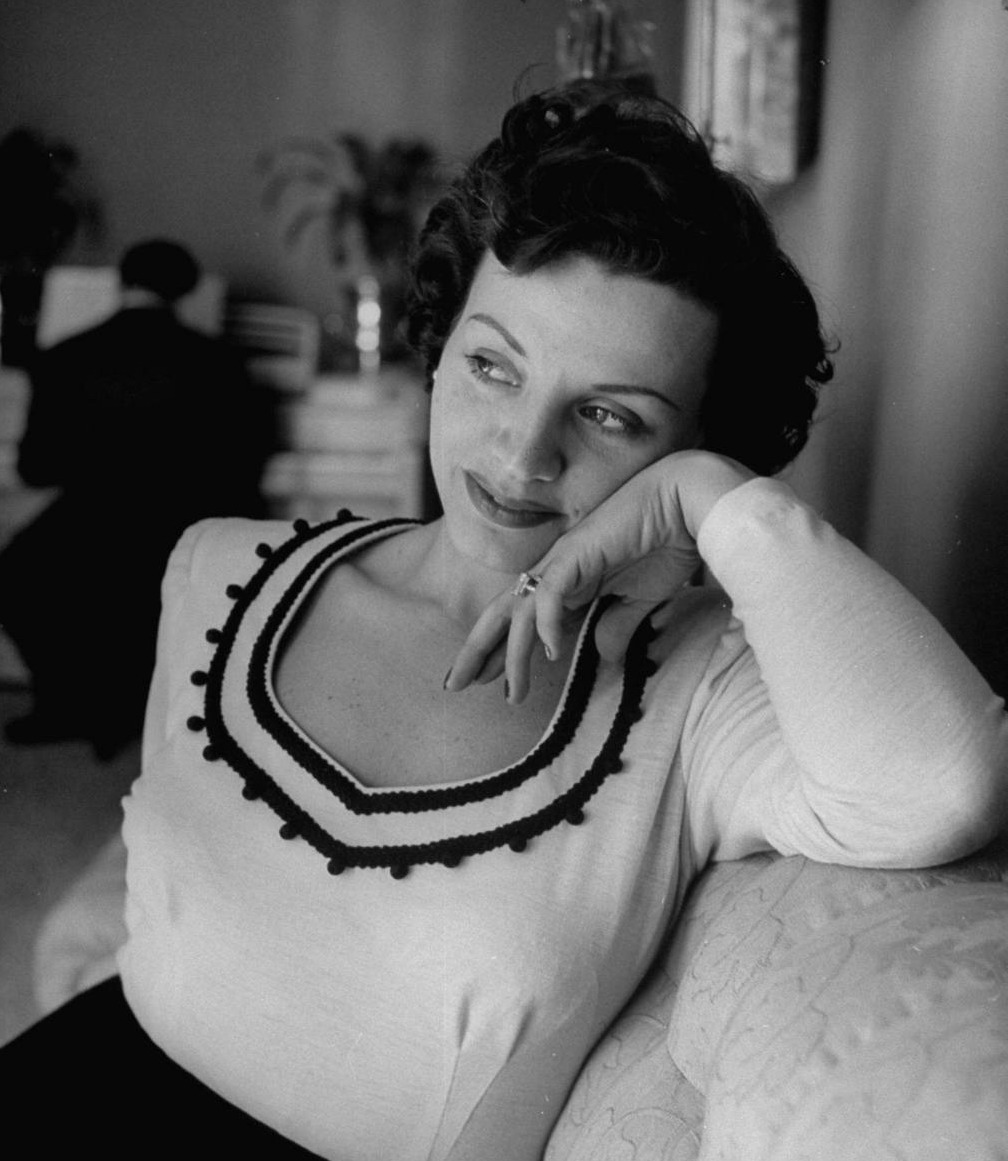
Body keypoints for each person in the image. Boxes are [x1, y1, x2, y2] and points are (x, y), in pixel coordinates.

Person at [1, 83, 1005, 1158]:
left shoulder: (700, 697)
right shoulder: (217, 568)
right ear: (438, 346)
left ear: (697, 444)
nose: (523, 456)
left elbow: (942, 785)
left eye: (611, 415)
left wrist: (714, 499)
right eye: (492, 366)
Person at [0, 238, 271, 758]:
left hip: (91, 517)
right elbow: (244, 463)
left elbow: (35, 468)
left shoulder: (63, 356)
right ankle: (146, 705)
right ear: (186, 292)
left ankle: (64, 703)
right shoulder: (218, 359)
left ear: (121, 283)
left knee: (16, 575)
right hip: (185, 521)